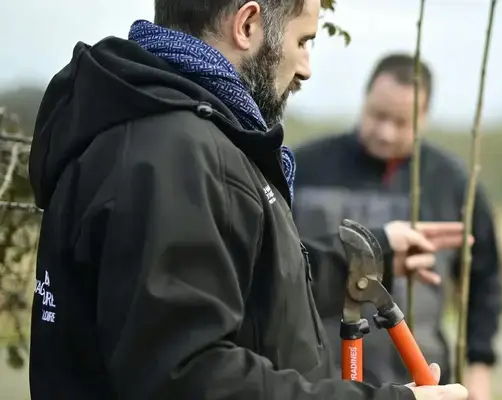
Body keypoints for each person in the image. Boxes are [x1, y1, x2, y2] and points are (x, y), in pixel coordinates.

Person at [26, 1, 469, 399]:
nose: (306, 68)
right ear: (248, 24)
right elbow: (190, 377)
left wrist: (371, 255)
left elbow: (247, 289)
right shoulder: (177, 154)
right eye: (303, 40)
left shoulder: (165, 134)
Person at [292, 53, 502, 399]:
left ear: (425, 118)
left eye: (401, 122)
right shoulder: (304, 167)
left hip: (423, 378)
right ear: (364, 99)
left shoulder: (451, 182)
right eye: (377, 115)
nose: (385, 132)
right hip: (320, 382)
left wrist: (479, 373)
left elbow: (486, 283)